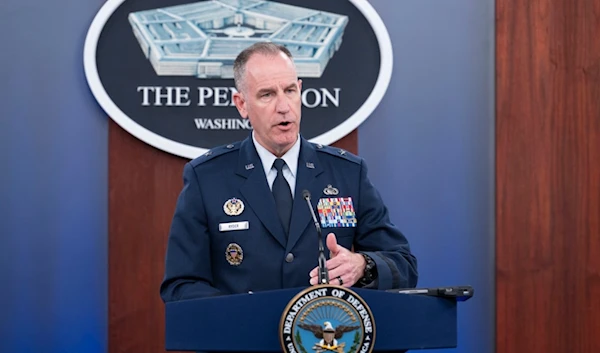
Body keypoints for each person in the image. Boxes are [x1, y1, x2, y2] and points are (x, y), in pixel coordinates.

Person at [159, 42, 418, 302]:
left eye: (290, 90)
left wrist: (363, 265)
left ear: (300, 91)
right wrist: (242, 313)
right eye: (267, 95)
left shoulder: (348, 174)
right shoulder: (207, 179)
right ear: (242, 104)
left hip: (324, 337)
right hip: (241, 340)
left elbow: (403, 265)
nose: (284, 107)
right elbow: (181, 286)